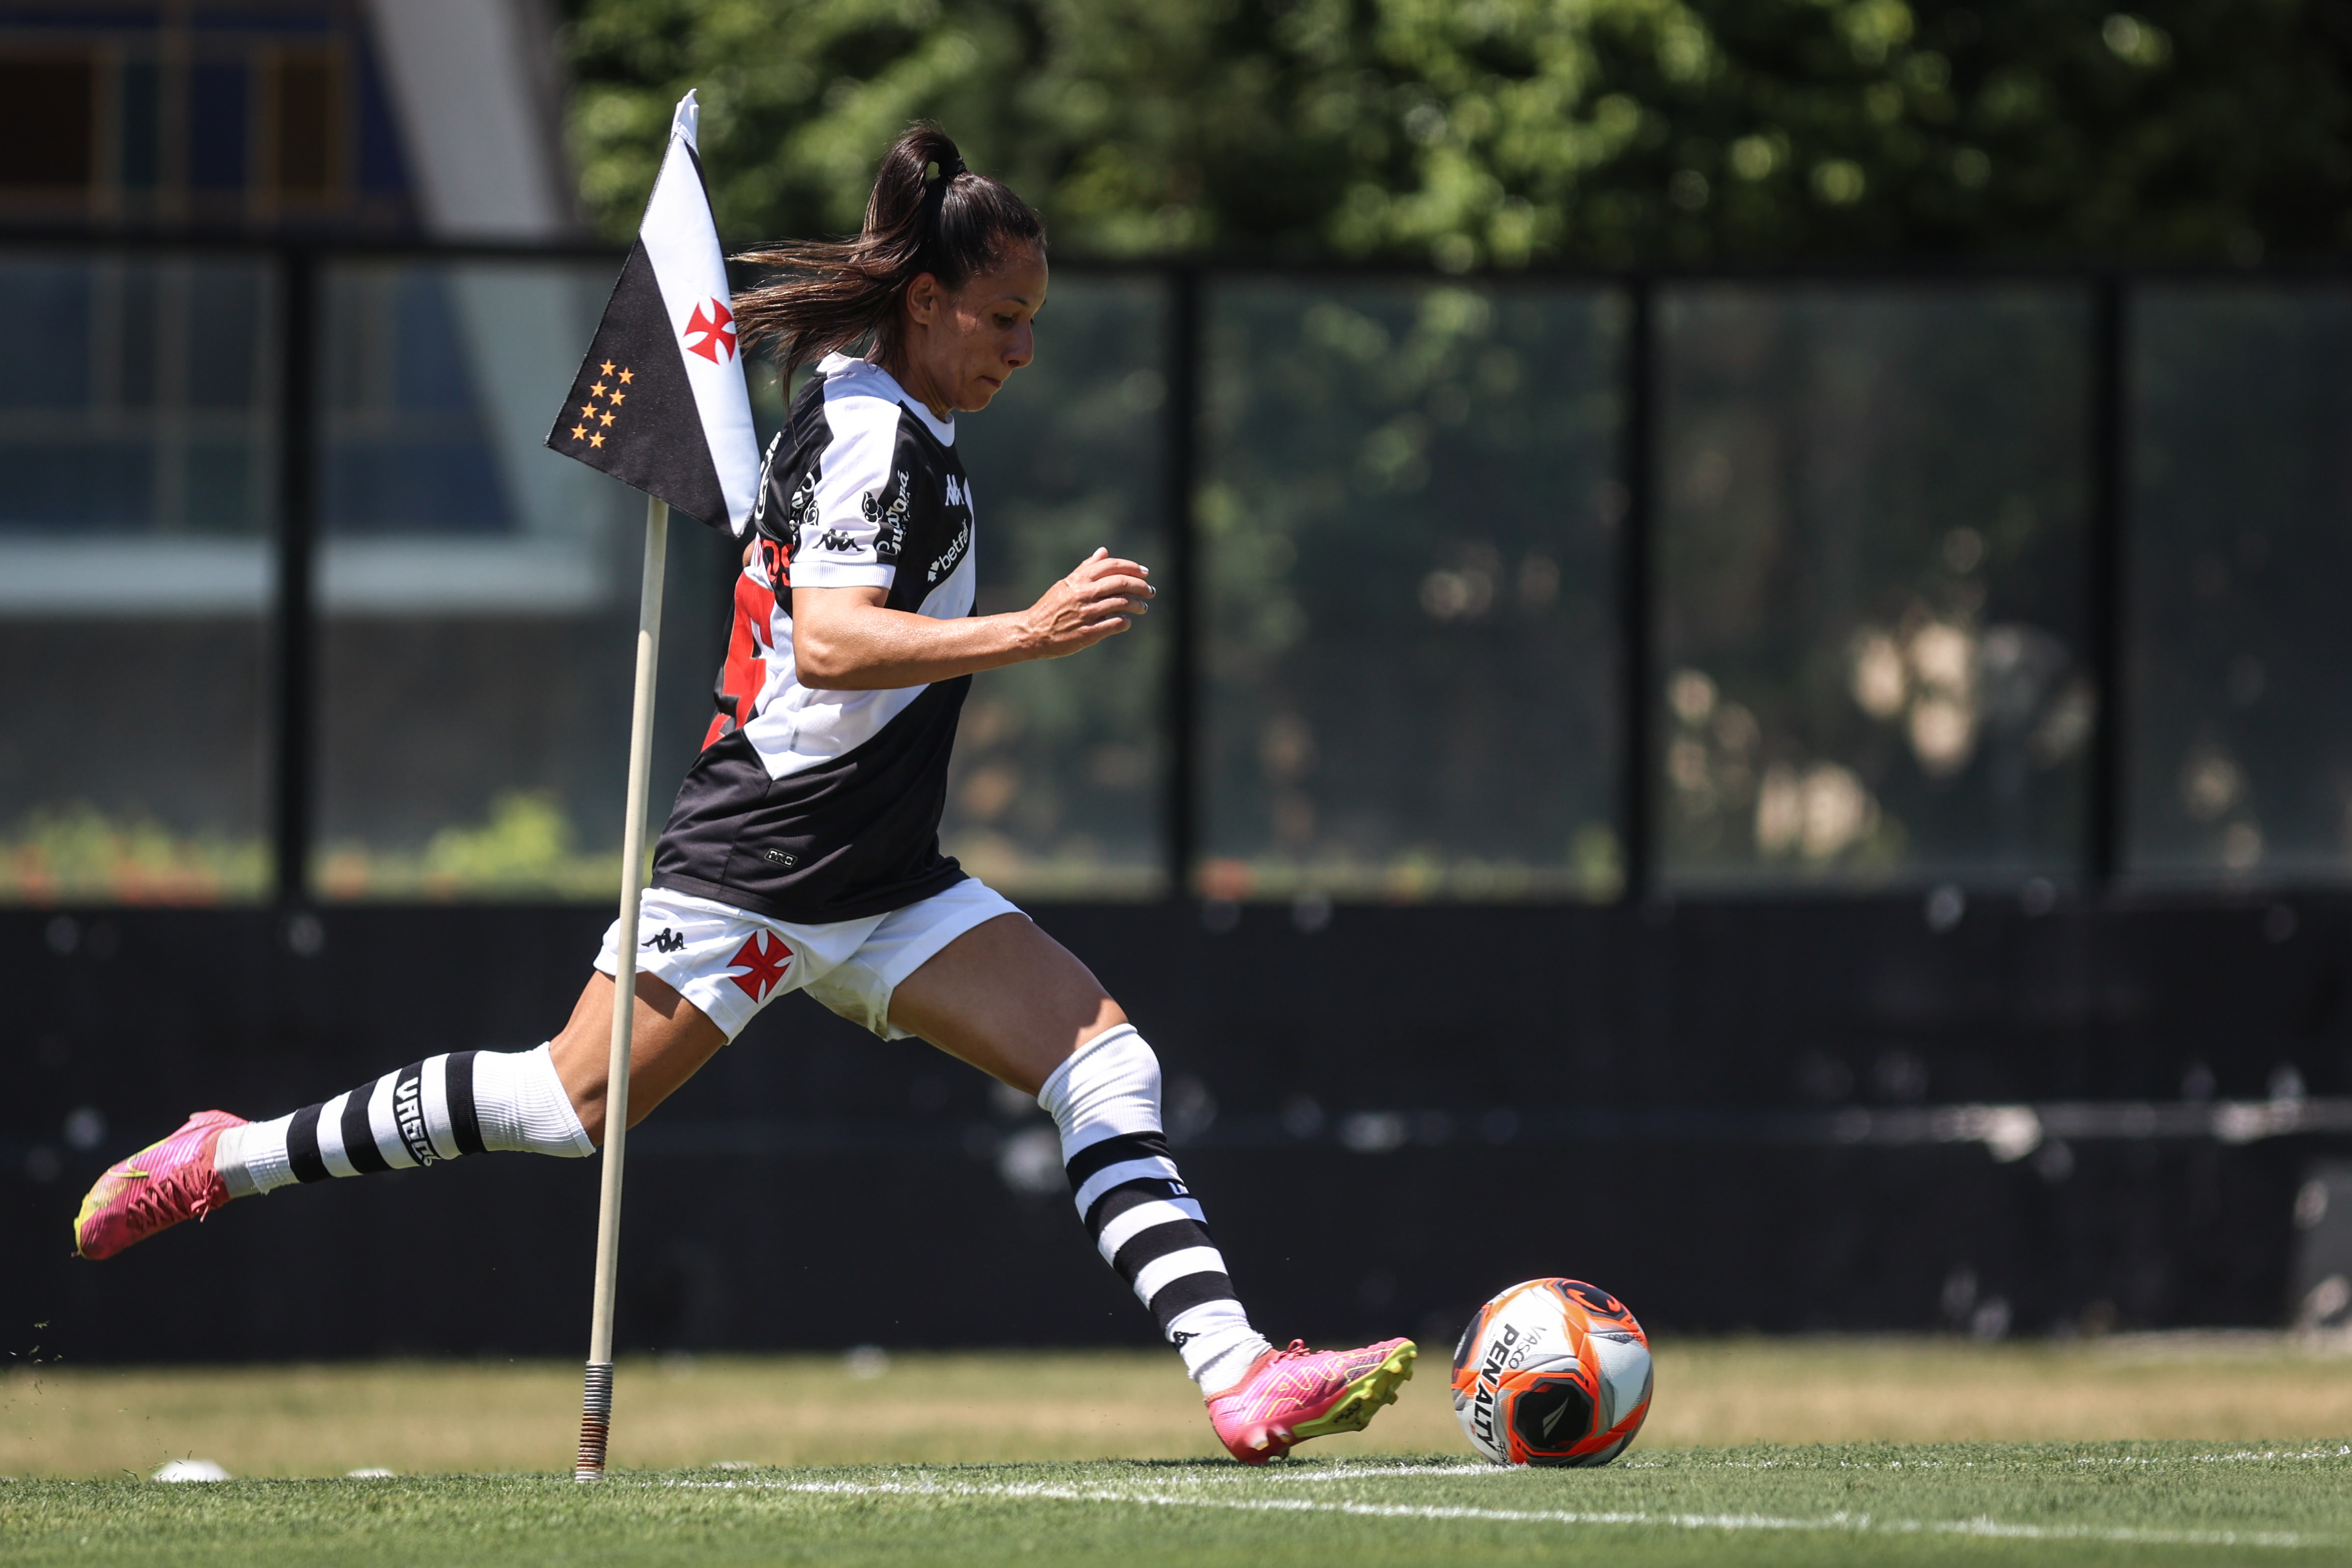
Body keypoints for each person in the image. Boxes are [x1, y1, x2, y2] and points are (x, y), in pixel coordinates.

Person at [71, 125, 1414, 1465]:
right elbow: (830, 641)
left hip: (881, 876)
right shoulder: (875, 436)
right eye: (1004, 317)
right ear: (927, 302)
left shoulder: (885, 405)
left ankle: (1240, 1376)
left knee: (1104, 1060)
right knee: (562, 1108)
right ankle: (225, 1156)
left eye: (1034, 318)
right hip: (764, 860)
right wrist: (1031, 629)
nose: (1024, 349)